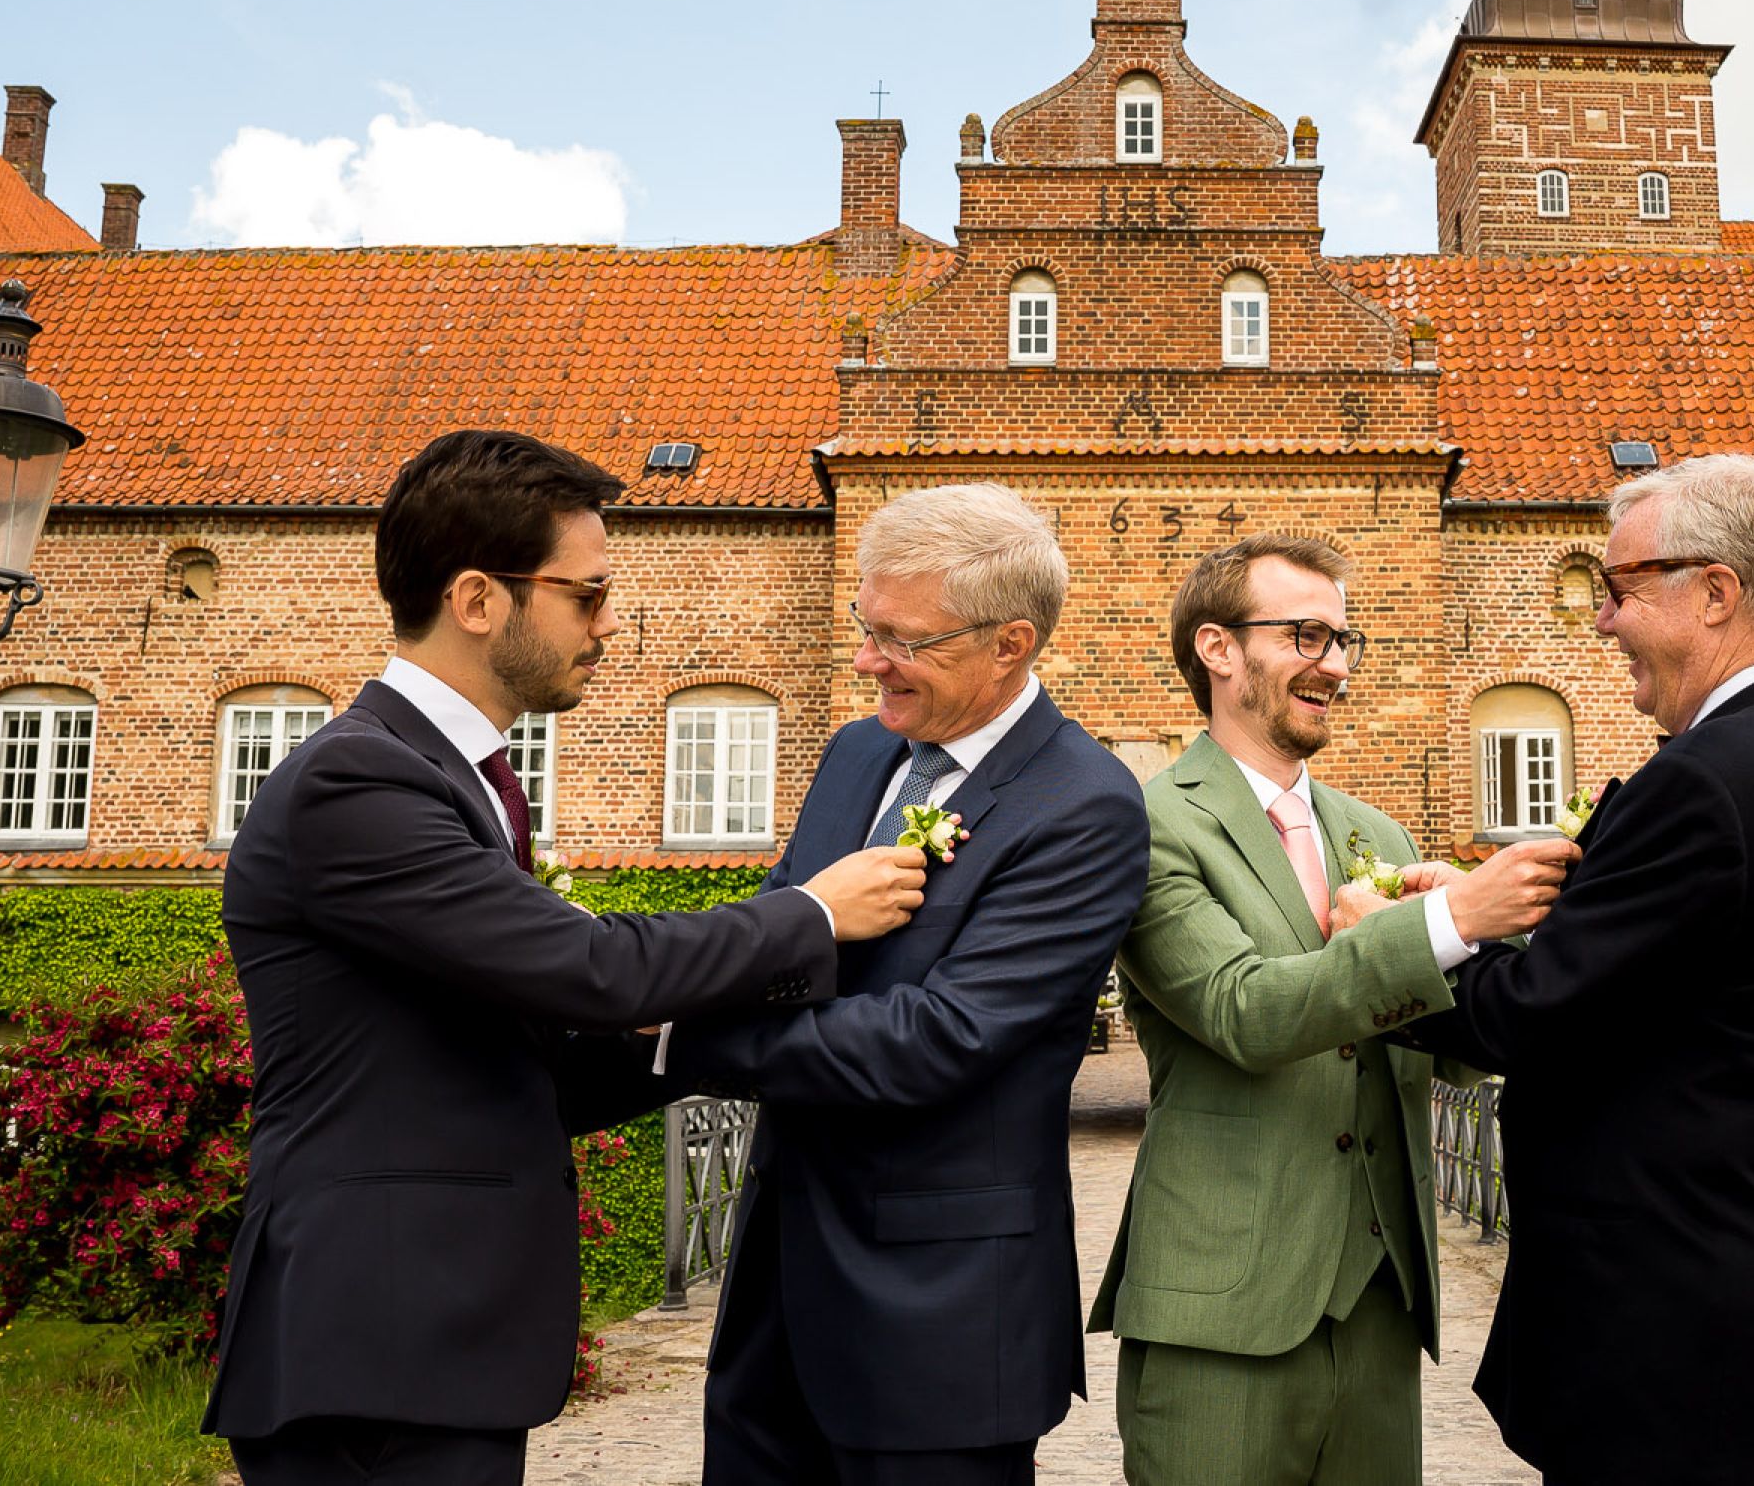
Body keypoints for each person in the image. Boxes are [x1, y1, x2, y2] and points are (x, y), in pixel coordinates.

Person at [202, 429, 927, 1486]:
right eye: (585, 595)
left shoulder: (451, 776)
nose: (608, 621)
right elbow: (590, 971)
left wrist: (741, 1041)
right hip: (373, 1333)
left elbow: (528, 1053)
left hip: (427, 1337)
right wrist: (813, 914)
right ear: (479, 599)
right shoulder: (355, 784)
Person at [1395, 454, 1754, 1486]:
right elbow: (1645, 993)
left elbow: (1529, 1018)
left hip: (1672, 1348)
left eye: (1621, 587)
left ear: (1715, 591)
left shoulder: (1714, 782)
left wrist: (1402, 938)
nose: (1602, 620)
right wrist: (1476, 908)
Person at [657, 483, 1150, 1486]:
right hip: (775, 1295)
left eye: (900, 636)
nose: (866, 658)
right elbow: (772, 943)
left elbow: (938, 1035)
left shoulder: (1086, 804)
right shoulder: (856, 752)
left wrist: (677, 1035)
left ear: (1010, 642)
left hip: (941, 1319)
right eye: (864, 623)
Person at [1091, 536, 1574, 1485]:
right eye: (1307, 633)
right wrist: (1445, 919)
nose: (1337, 664)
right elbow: (1245, 1011)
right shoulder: (1149, 822)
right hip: (1221, 1309)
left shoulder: (1374, 831)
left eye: (1345, 637)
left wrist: (1478, 944)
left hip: (1379, 1303)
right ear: (1218, 648)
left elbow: (1460, 1057)